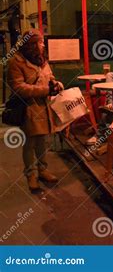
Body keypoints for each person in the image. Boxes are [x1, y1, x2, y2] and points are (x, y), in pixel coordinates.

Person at [7, 29, 63, 192]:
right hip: (29, 108)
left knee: (43, 141)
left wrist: (56, 84)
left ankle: (43, 169)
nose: (43, 44)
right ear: (31, 45)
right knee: (30, 142)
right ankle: (31, 174)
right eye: (40, 42)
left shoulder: (42, 60)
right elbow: (18, 87)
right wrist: (45, 90)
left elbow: (50, 77)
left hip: (44, 107)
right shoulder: (16, 62)